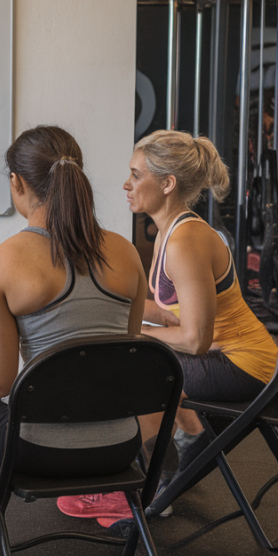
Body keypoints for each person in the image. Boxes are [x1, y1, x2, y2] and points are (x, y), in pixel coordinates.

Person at [0, 126, 147, 556]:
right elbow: (125, 356)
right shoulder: (127, 253)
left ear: (17, 183)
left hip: (39, 453)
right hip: (121, 447)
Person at [123, 131, 277, 471]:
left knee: (140, 363)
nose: (126, 185)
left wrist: (134, 336)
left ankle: (151, 480)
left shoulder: (185, 242)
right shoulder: (167, 232)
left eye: (136, 175)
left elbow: (194, 339)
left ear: (167, 184)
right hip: (222, 355)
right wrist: (109, 317)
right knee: (128, 346)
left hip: (247, 365)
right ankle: (189, 435)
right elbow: (167, 314)